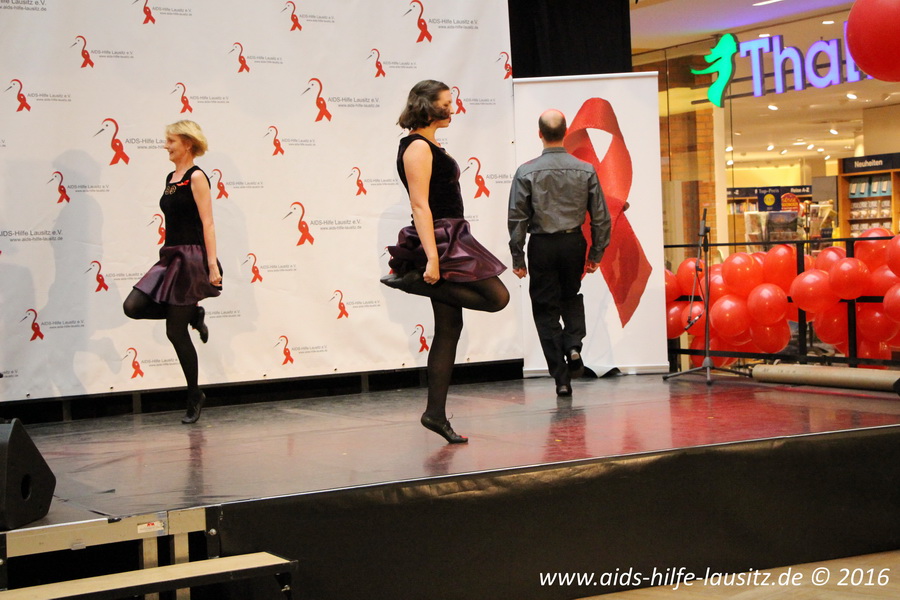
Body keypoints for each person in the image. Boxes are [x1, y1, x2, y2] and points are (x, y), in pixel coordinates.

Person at [382, 79, 510, 444]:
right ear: (426, 106)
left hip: (451, 232)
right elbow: (420, 205)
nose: (452, 108)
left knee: (449, 328)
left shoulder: (429, 144)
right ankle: (414, 282)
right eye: (445, 103)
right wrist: (432, 260)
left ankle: (434, 414)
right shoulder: (416, 147)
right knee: (497, 298)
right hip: (440, 237)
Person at [123, 120, 222, 424]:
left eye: (171, 141)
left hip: (191, 259)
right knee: (133, 306)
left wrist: (211, 264)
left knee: (174, 333)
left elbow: (208, 223)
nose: (166, 146)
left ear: (187, 144)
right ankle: (193, 315)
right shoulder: (171, 177)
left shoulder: (197, 176)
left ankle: (194, 395)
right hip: (170, 255)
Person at [508, 109, 610, 397]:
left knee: (545, 309)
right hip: (573, 243)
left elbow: (517, 217)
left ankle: (561, 379)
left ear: (539, 134)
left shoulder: (526, 172)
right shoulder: (585, 169)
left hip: (542, 245)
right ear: (565, 133)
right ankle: (573, 344)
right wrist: (597, 253)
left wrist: (518, 257)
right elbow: (600, 217)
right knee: (570, 296)